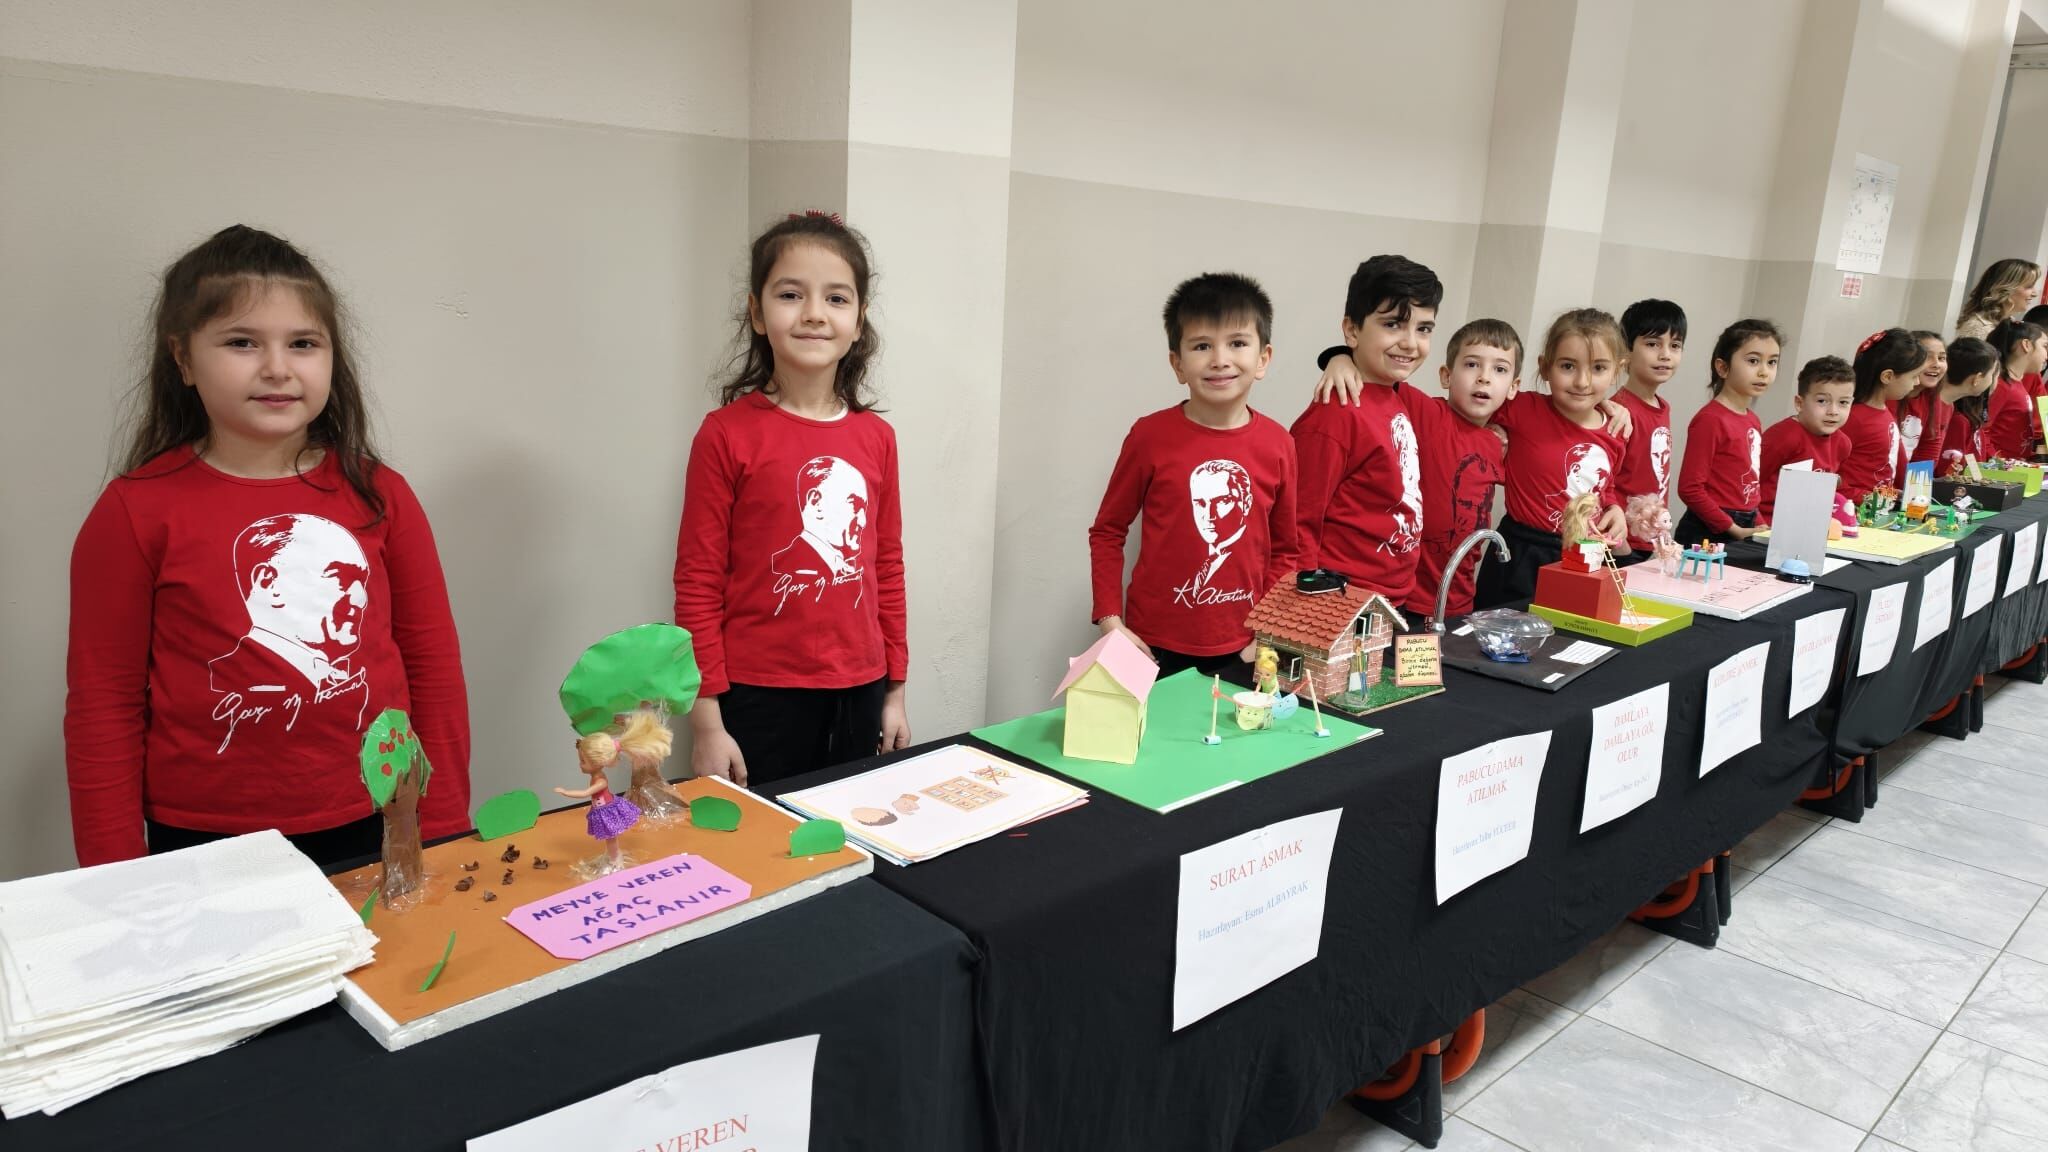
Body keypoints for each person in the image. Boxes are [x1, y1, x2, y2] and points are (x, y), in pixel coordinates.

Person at [64, 225, 470, 868]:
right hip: (202, 840)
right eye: (242, 342)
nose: (278, 368)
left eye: (303, 343)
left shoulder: (381, 495)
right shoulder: (135, 511)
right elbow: (103, 705)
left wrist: (443, 824)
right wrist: (113, 872)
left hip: (378, 815)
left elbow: (433, 667)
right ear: (183, 359)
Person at [675, 212, 910, 790]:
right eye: (790, 294)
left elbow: (886, 566)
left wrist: (895, 692)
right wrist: (706, 722)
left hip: (861, 690)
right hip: (757, 694)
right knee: (764, 837)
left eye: (836, 298)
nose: (813, 313)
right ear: (757, 313)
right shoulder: (725, 435)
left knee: (850, 830)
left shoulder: (877, 438)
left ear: (858, 320)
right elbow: (698, 582)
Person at [1088, 272, 1299, 678]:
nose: (1220, 359)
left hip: (1244, 646)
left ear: (1263, 359)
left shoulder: (1279, 444)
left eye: (1237, 343)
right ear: (1178, 364)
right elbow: (1108, 531)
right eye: (1202, 346)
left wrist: (1267, 630)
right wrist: (1110, 621)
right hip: (1151, 645)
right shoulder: (1149, 437)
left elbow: (1287, 550)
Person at [1288, 254, 1441, 608]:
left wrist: (1339, 356)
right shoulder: (1333, 416)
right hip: (1339, 602)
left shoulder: (1397, 394)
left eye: (1423, 329)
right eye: (1393, 324)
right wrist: (1304, 605)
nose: (1410, 343)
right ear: (1353, 330)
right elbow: (1297, 524)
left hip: (1389, 599)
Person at [1475, 309, 1632, 606]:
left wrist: (1614, 509)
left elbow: (1605, 487)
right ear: (1545, 367)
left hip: (1585, 557)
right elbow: (1469, 404)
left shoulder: (1617, 429)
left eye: (1599, 368)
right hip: (1521, 554)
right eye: (1568, 366)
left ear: (1617, 371)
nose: (1582, 381)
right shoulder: (1522, 408)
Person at [1676, 319, 1782, 544]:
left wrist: (1759, 523)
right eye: (1753, 361)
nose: (1764, 372)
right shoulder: (1710, 419)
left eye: (1772, 362)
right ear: (1723, 368)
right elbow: (1690, 488)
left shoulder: (1753, 420)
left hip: (1744, 525)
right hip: (1709, 531)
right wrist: (1731, 527)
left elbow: (1749, 486)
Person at [1612, 299, 1685, 552]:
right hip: (1623, 544)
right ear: (1626, 349)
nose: (1665, 354)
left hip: (1652, 542)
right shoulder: (1618, 411)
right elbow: (1604, 484)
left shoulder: (1663, 407)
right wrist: (1619, 543)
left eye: (1675, 345)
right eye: (1653, 344)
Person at [1758, 356, 1855, 520]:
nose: (1833, 411)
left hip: (1808, 523)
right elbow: (1748, 483)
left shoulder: (1843, 444)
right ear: (1799, 403)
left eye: (1843, 402)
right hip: (1767, 524)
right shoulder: (1783, 438)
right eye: (1822, 401)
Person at [1841, 329, 1927, 502]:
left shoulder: (1884, 411)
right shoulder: (1852, 418)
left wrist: (1907, 495)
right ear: (1887, 376)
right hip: (1855, 510)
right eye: (1914, 376)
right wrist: (1869, 498)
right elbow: (1829, 474)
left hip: (1880, 507)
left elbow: (1898, 463)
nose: (1917, 382)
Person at [1983, 319, 2047, 459]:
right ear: (2026, 345)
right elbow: (1982, 431)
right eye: (2045, 346)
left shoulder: (2017, 383)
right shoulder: (2001, 385)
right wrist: (1997, 462)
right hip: (1998, 468)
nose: (2046, 355)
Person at [1932, 337, 2000, 466]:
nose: (1993, 381)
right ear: (1977, 378)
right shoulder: (1940, 409)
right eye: (1992, 374)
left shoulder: (1950, 406)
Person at [1956, 258, 2041, 340]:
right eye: (2029, 286)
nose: (2035, 294)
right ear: (2006, 288)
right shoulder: (1979, 329)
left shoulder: (2008, 323)